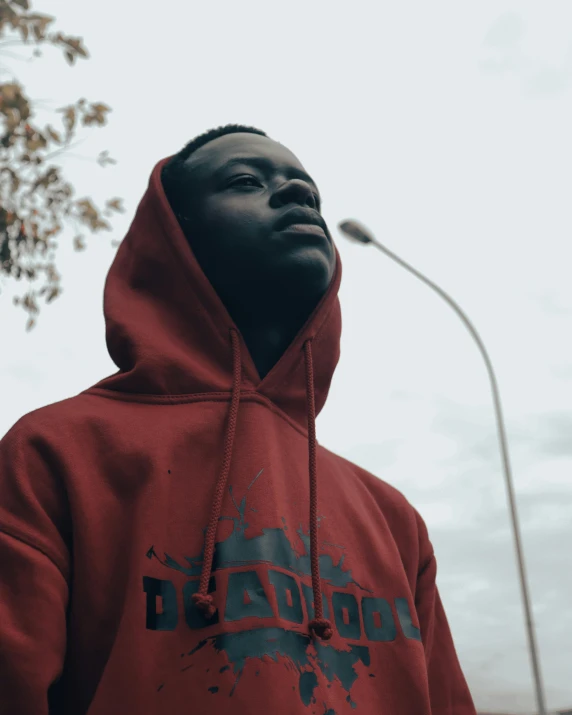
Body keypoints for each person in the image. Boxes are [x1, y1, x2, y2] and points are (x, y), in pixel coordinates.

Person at [0, 124, 478, 714]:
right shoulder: (56, 450)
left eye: (310, 192)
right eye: (247, 182)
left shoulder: (391, 516)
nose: (298, 197)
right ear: (174, 238)